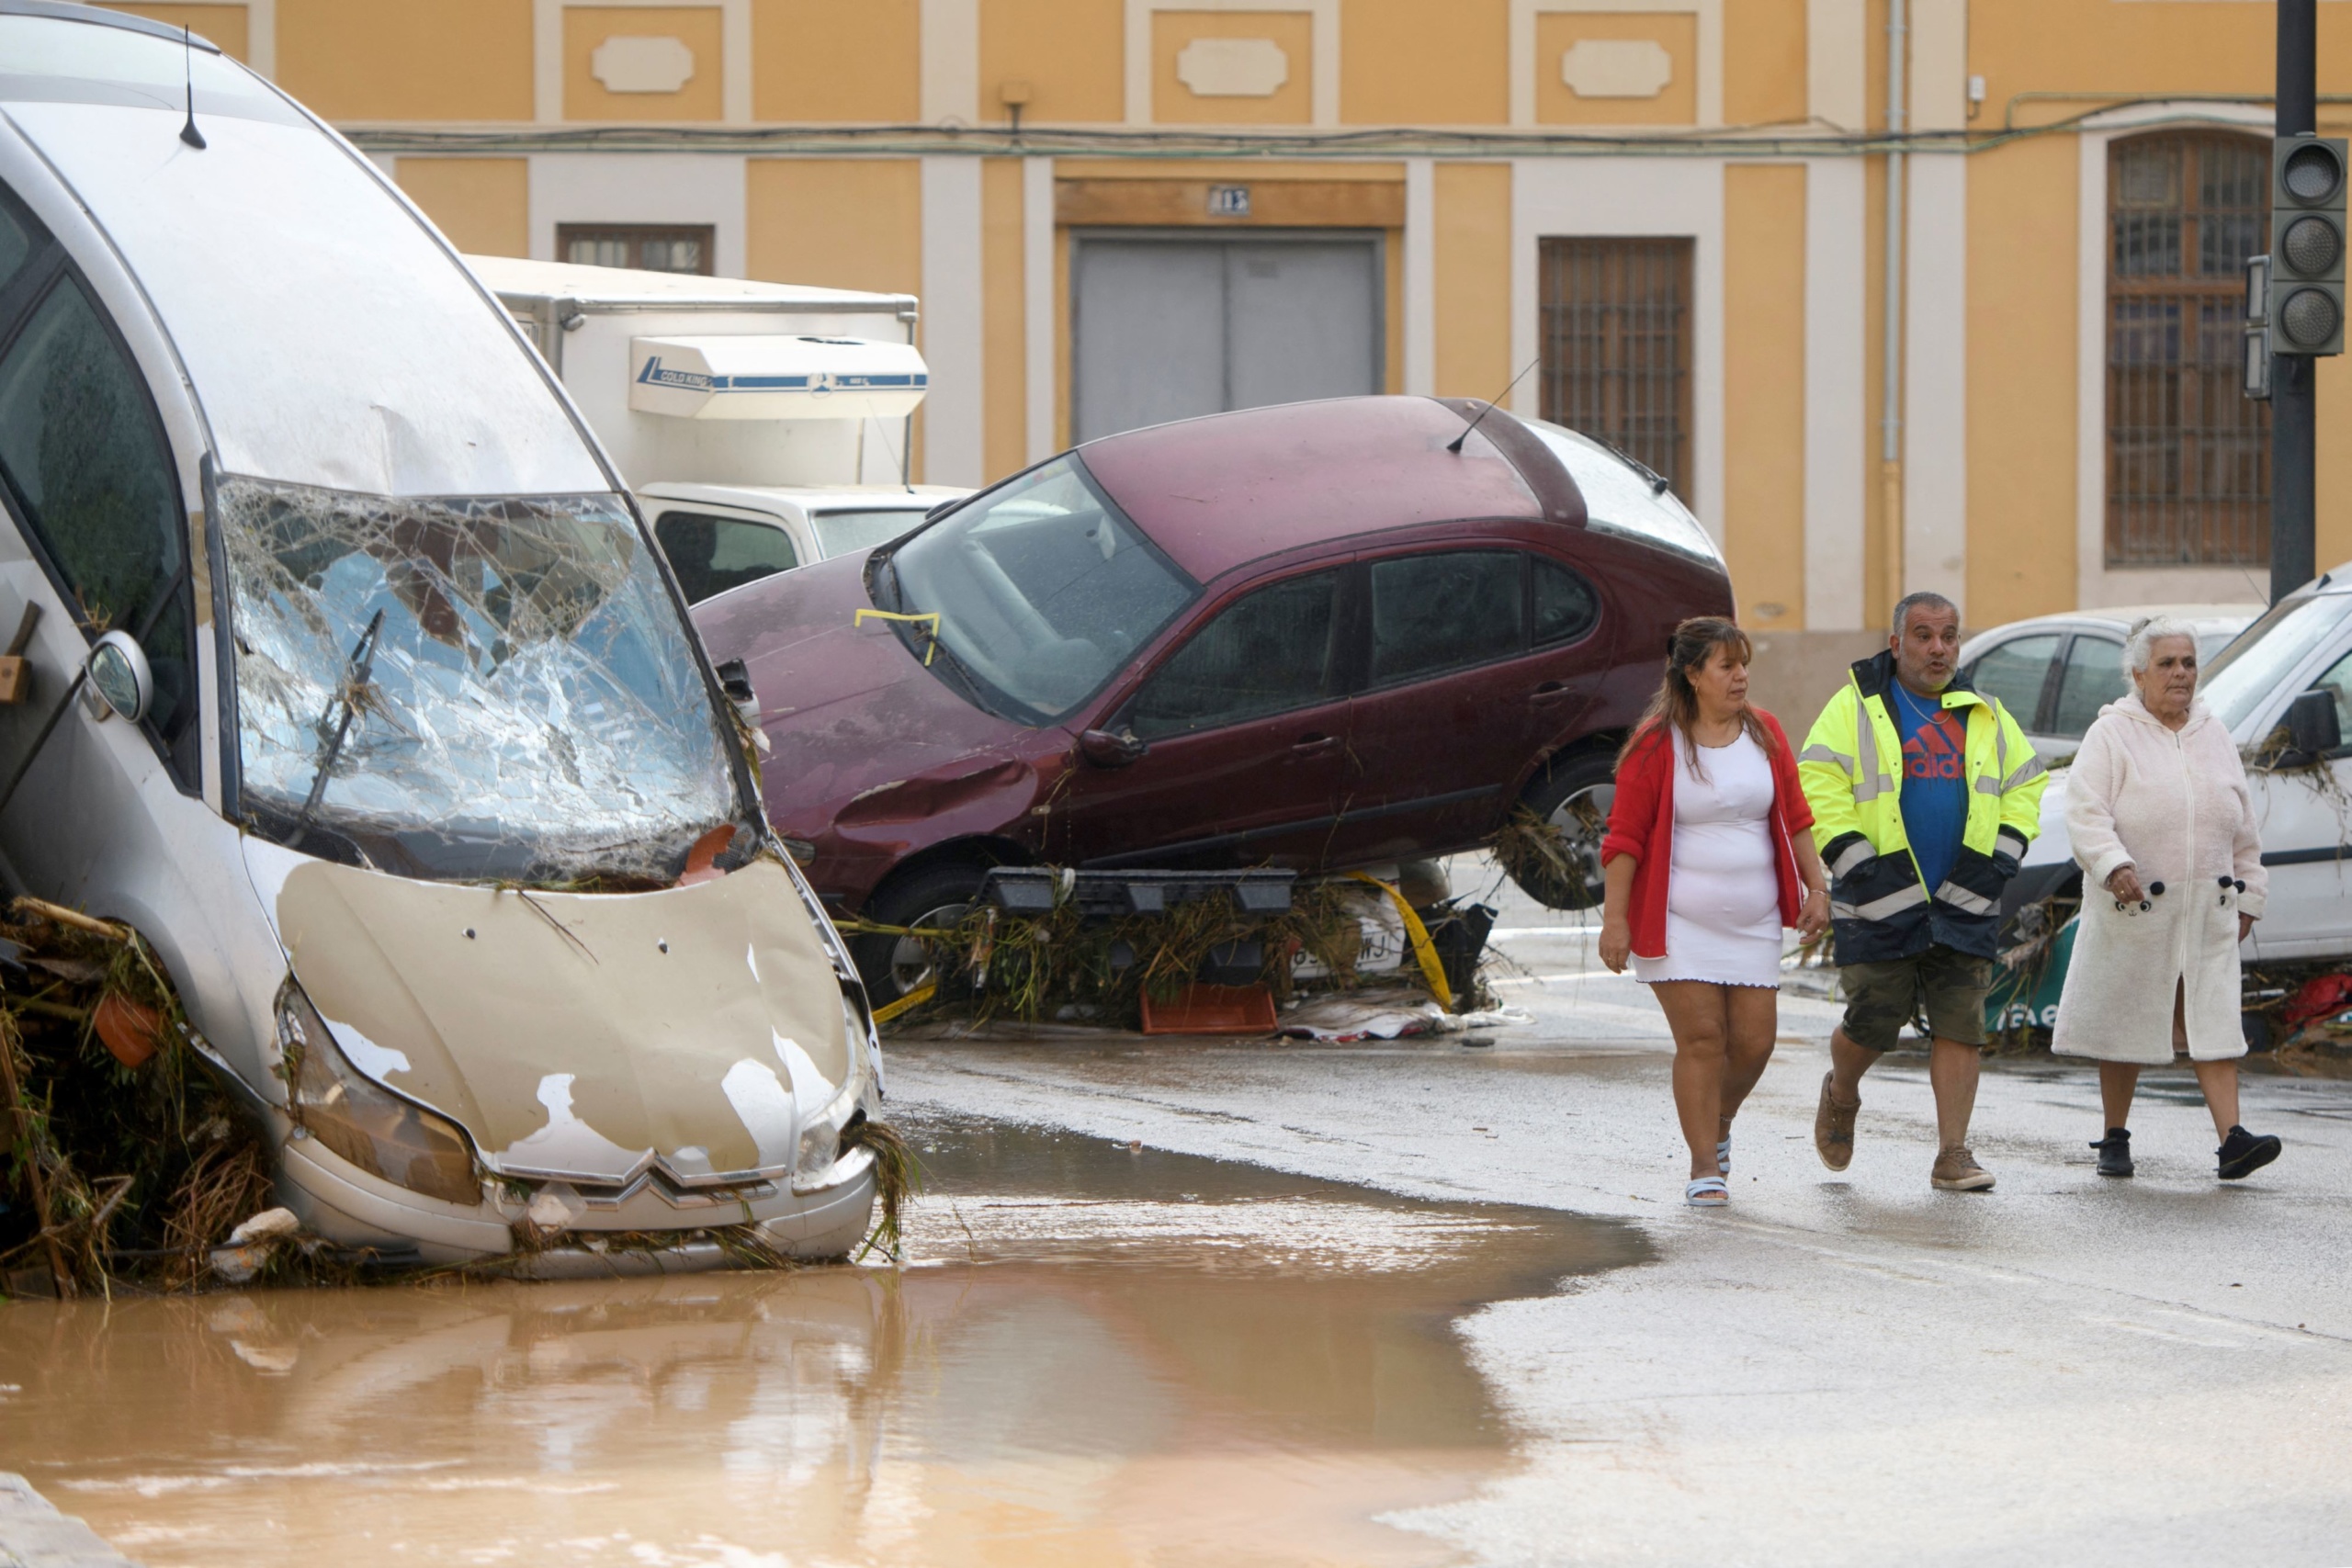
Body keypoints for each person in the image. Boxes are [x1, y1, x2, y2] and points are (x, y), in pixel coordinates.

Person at [1799, 592, 2045, 1190]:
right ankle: (1843, 1089)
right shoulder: (1853, 707)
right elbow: (1818, 780)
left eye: (1949, 636)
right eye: (1924, 635)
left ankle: (1953, 1152)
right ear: (1896, 644)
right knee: (1873, 1022)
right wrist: (1855, 862)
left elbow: (2026, 781)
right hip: (1879, 896)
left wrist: (2002, 856)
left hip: (1965, 895)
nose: (1938, 648)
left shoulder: (1985, 712)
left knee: (1961, 1023)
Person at [1599, 617, 1832, 1207]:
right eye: (1727, 666)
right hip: (1680, 922)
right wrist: (1616, 920)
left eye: (1743, 664)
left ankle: (1718, 1119)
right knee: (1703, 1038)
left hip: (1752, 923)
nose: (1741, 676)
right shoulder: (1655, 745)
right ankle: (1705, 1164)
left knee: (1754, 1042)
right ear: (1693, 674)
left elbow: (1797, 817)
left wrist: (1816, 888)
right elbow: (1623, 838)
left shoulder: (1767, 733)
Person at [2052, 615, 2280, 1180]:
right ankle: (2113, 1137)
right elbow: (2085, 813)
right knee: (2127, 1020)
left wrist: (2250, 893)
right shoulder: (2111, 735)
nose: (2180, 674)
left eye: (2188, 663)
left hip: (2207, 907)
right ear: (2138, 674)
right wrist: (2113, 864)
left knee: (2214, 1021)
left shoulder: (2214, 733)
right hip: (2136, 905)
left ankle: (2233, 1141)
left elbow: (2242, 827)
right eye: (2167, 664)